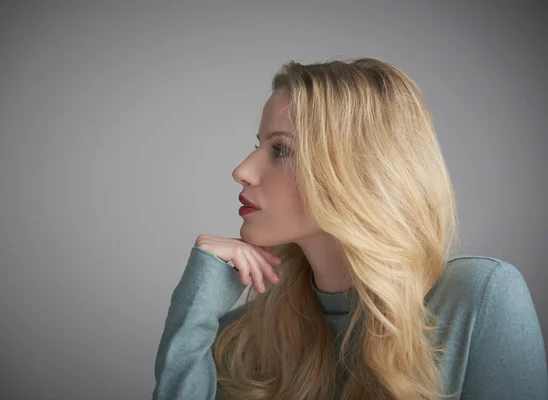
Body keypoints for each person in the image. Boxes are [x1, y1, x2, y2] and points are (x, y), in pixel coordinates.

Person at [152, 58, 548, 400]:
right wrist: (194, 310)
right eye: (259, 145)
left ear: (359, 172)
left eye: (281, 150)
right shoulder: (244, 337)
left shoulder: (479, 299)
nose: (242, 171)